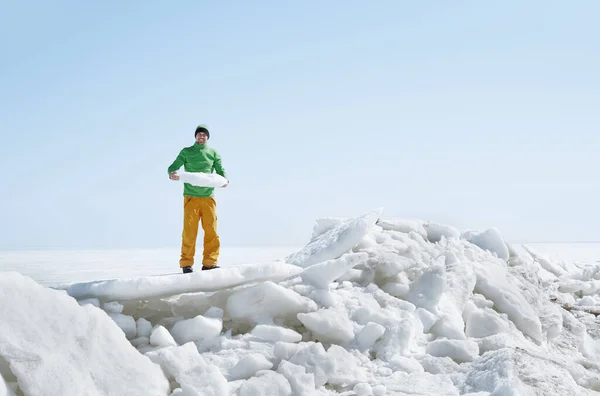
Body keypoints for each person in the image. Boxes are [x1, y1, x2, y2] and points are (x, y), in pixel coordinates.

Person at [167, 125, 228, 273]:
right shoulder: (186, 152)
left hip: (208, 198)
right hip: (191, 197)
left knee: (211, 230)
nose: (201, 137)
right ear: (195, 136)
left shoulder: (213, 153)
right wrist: (171, 173)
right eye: (199, 134)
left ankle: (210, 262)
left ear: (207, 137)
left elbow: (220, 170)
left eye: (204, 135)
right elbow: (173, 166)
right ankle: (186, 263)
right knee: (189, 231)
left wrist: (225, 180)